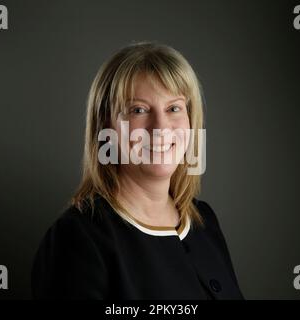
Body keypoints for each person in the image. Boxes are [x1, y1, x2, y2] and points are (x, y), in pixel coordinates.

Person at [31, 42, 243, 299]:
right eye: (138, 110)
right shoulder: (78, 239)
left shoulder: (203, 220)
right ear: (105, 126)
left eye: (173, 108)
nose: (160, 127)